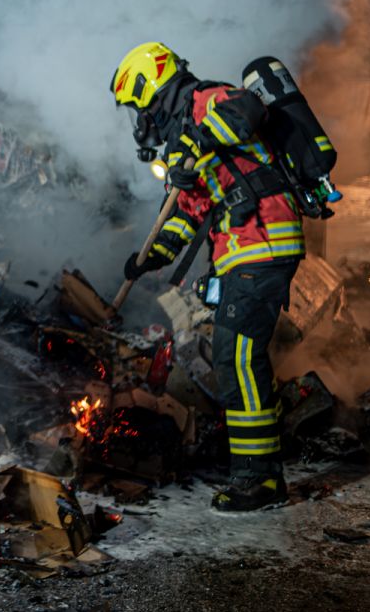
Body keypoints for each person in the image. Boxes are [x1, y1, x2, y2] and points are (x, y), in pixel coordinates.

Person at [110, 41, 302, 512]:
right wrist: (151, 257)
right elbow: (187, 213)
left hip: (263, 241)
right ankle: (259, 461)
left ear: (149, 89)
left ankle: (259, 480)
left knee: (238, 358)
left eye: (136, 107)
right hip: (242, 251)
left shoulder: (205, 101)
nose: (139, 121)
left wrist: (197, 140)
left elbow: (248, 109)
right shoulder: (182, 145)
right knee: (236, 358)